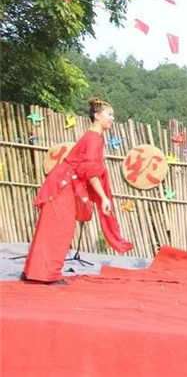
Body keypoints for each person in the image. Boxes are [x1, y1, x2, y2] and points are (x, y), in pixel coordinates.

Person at [22, 98, 133, 284]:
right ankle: (47, 274)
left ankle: (33, 271)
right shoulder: (94, 138)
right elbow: (90, 172)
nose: (112, 119)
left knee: (51, 226)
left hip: (65, 183)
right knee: (60, 228)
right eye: (109, 114)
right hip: (63, 185)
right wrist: (104, 197)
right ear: (97, 116)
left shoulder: (95, 137)